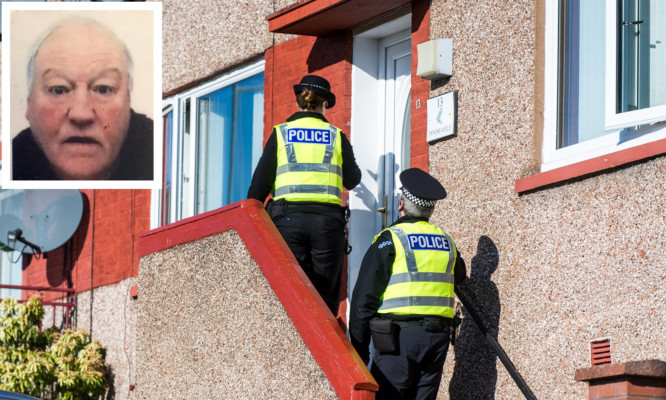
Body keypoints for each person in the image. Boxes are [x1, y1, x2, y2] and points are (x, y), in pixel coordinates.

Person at [247, 74, 361, 315]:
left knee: (291, 291)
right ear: (325, 104)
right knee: (326, 297)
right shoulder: (336, 136)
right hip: (327, 225)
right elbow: (353, 179)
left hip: (287, 222)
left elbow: (257, 189)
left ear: (299, 102)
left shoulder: (281, 133)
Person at [349, 167, 466, 400]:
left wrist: (359, 353)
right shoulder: (446, 240)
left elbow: (364, 300)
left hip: (398, 342)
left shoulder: (392, 238)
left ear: (401, 204)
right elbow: (460, 275)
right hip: (437, 340)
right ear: (430, 208)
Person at [12, 19, 153, 181]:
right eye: (59, 90)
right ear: (30, 102)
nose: (81, 114)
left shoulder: (158, 147)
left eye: (103, 89)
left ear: (128, 98)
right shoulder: (13, 161)